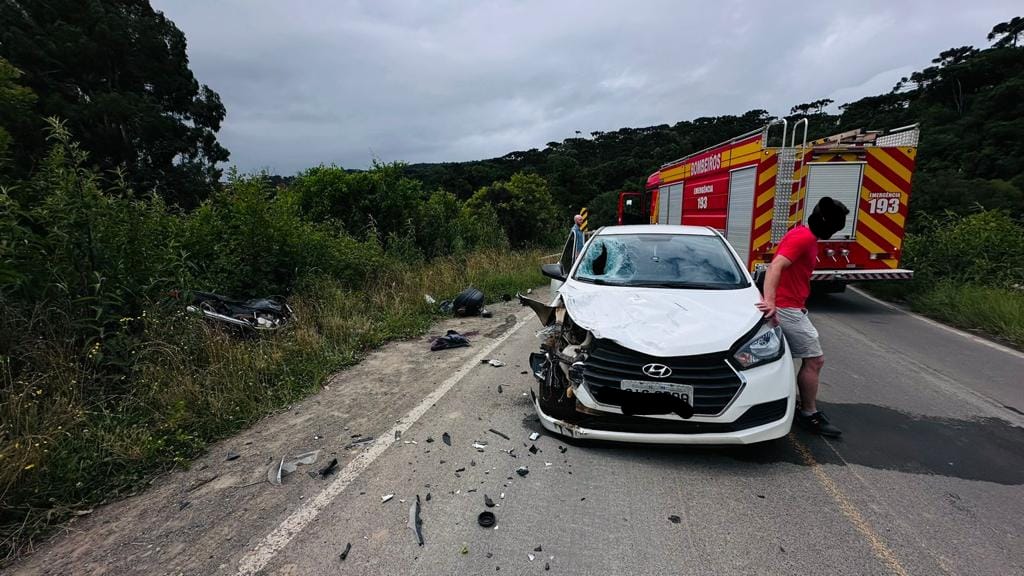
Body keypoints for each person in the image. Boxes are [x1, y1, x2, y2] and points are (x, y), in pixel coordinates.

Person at [756, 197, 850, 437]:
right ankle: (809, 413)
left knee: (783, 357)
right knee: (815, 360)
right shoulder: (803, 238)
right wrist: (771, 302)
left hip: (793, 306)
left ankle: (791, 405)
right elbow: (775, 266)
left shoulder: (802, 233)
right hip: (787, 309)